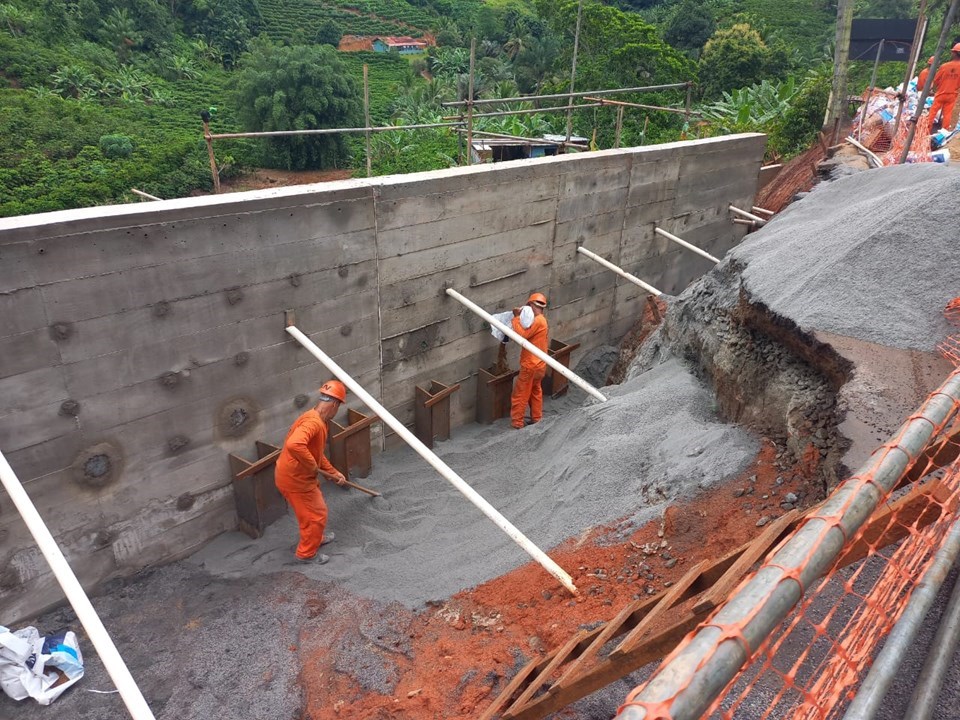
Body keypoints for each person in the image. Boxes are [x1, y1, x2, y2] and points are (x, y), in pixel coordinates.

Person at [275, 380, 348, 564]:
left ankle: (316, 538)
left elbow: (317, 454)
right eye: (338, 406)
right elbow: (295, 444)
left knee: (312, 513)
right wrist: (311, 466)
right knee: (316, 514)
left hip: (299, 476)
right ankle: (306, 555)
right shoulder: (314, 423)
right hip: (295, 479)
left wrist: (333, 472)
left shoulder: (318, 420)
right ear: (334, 404)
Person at [510, 292, 549, 429]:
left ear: (531, 305)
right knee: (535, 391)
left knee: (521, 393)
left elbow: (522, 334)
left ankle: (517, 423)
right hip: (540, 365)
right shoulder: (542, 320)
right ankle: (537, 418)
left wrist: (515, 318)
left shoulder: (538, 321)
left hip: (530, 365)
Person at [930, 44, 960, 131]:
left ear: (954, 53)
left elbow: (936, 80)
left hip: (941, 93)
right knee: (947, 114)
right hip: (952, 95)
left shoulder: (944, 66)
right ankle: (944, 132)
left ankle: (926, 130)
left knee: (932, 113)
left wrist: (933, 89)